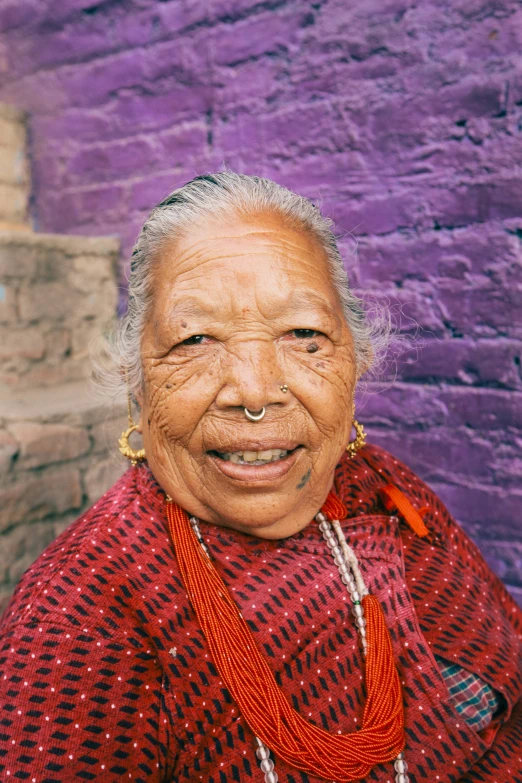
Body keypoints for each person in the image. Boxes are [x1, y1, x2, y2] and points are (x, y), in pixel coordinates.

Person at [0, 172, 520, 783]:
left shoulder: (383, 485)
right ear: (135, 388)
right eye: (194, 340)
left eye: (304, 335)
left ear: (356, 360)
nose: (253, 391)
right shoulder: (78, 623)